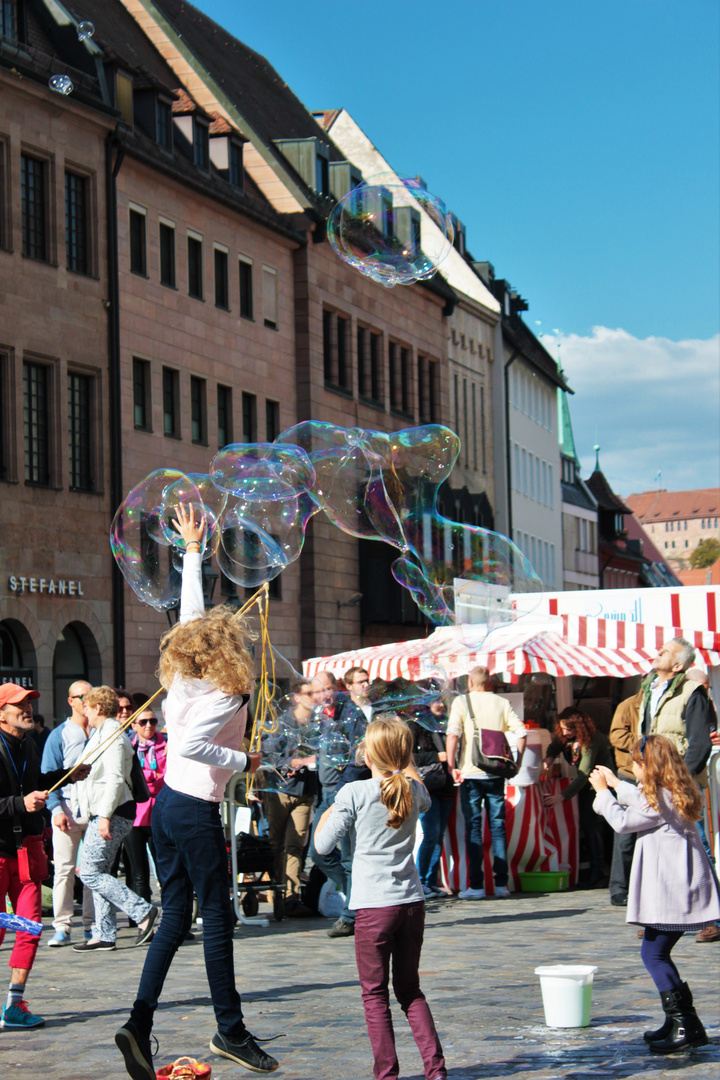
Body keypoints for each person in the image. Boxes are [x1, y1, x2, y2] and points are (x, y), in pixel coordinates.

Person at [115, 503, 277, 1080]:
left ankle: (138, 1023)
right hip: (194, 811)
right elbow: (190, 750)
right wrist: (245, 758)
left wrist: (191, 551)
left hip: (165, 811)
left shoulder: (186, 673)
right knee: (217, 916)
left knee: (176, 915)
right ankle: (230, 1032)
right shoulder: (226, 695)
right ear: (231, 649)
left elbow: (186, 616)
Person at [315, 715, 447, 1080]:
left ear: (368, 755)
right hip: (411, 902)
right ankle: (435, 1069)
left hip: (373, 906)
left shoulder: (353, 793)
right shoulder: (414, 790)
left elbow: (322, 846)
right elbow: (422, 796)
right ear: (405, 756)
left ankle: (386, 1073)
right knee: (410, 990)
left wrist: (330, 810)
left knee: (375, 995)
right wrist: (405, 763)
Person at [589, 735, 720, 1053]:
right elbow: (641, 800)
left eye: (637, 763)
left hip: (672, 890)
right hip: (674, 886)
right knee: (657, 952)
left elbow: (622, 821)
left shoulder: (661, 797)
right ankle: (681, 1022)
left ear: (650, 765)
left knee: (653, 954)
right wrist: (616, 785)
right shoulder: (669, 790)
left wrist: (604, 792)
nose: (634, 769)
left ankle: (685, 1025)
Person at [0, 683, 89, 1029]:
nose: (28, 709)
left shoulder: (31, 744)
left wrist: (66, 776)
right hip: (1, 854)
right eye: (19, 704)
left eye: (30, 703)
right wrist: (20, 804)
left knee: (30, 928)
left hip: (29, 851)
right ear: (1, 713)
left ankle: (13, 1005)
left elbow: (36, 782)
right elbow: (20, 797)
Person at [71, 686, 157, 953]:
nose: (84, 709)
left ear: (97, 708)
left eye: (87, 705)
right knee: (101, 871)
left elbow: (115, 780)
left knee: (90, 872)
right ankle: (105, 932)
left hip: (112, 811)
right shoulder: (102, 733)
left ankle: (142, 911)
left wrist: (105, 816)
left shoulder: (112, 735)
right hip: (105, 811)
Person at [446, 667, 527, 899]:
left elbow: (453, 735)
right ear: (489, 683)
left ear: (470, 681)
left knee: (473, 829)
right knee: (498, 827)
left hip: (471, 773)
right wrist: (517, 763)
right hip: (496, 772)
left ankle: (477, 886)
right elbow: (521, 733)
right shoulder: (501, 702)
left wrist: (452, 766)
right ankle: (502, 884)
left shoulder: (462, 702)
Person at [309, 666, 374, 938]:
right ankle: (354, 895)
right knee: (317, 852)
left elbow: (360, 755)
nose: (324, 695)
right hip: (325, 793)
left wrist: (344, 786)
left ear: (336, 687)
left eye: (327, 688)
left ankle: (350, 916)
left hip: (346, 791)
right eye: (318, 691)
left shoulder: (352, 713)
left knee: (348, 856)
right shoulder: (320, 717)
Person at [41, 679, 94, 947]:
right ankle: (61, 926)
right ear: (70, 701)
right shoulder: (59, 734)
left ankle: (90, 924)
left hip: (95, 812)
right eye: (80, 696)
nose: (85, 700)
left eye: (89, 695)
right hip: (67, 810)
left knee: (92, 871)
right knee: (64, 870)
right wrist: (56, 809)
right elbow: (47, 777)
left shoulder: (101, 731)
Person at [263, 679, 319, 918]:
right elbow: (269, 755)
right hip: (280, 791)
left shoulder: (319, 724)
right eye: (309, 693)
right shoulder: (282, 722)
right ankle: (274, 890)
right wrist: (298, 762)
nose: (314, 697)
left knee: (296, 845)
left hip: (305, 791)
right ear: (296, 697)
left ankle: (291, 898)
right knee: (276, 843)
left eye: (315, 692)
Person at [543, 707, 616, 888]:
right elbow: (555, 745)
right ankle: (596, 869)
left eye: (570, 729)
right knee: (587, 824)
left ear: (580, 728)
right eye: (563, 729)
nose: (566, 733)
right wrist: (550, 757)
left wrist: (563, 795)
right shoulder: (566, 737)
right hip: (587, 785)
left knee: (592, 826)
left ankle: (599, 870)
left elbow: (584, 773)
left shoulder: (591, 740)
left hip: (599, 786)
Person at [124, 708, 167, 908]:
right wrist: (151, 778)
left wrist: (145, 780)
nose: (149, 725)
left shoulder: (166, 744)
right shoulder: (128, 747)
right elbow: (129, 781)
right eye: (143, 722)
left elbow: (167, 778)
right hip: (134, 817)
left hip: (159, 814)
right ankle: (143, 921)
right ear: (133, 726)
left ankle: (174, 920)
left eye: (153, 721)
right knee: (139, 873)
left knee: (165, 870)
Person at [409, 709, 454, 897]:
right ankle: (420, 882)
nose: (439, 704)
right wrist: (437, 756)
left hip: (446, 785)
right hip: (427, 786)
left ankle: (430, 881)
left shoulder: (446, 727)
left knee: (438, 836)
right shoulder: (414, 727)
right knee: (430, 835)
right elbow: (410, 760)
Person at [607, 689, 643, 907]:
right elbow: (616, 736)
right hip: (629, 774)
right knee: (625, 834)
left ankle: (639, 887)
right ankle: (619, 888)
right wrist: (645, 741)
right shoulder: (628, 705)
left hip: (654, 774)